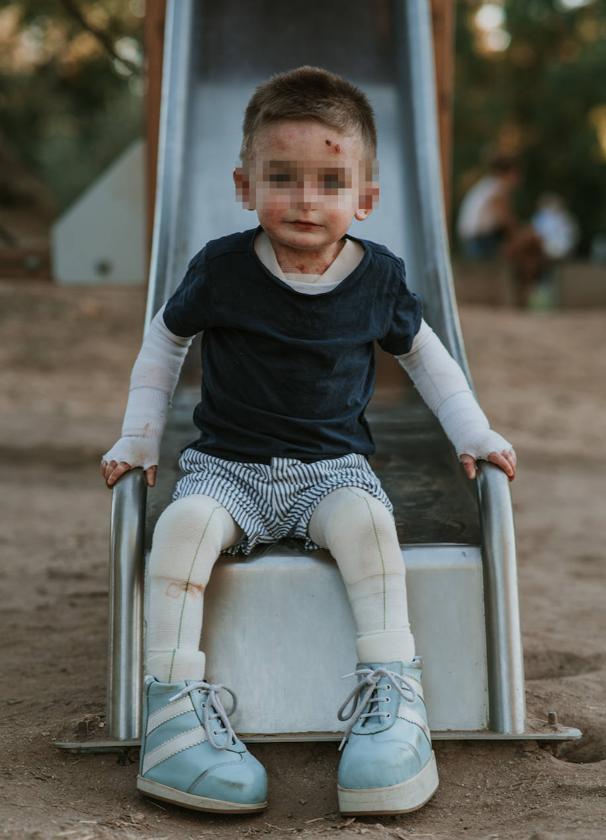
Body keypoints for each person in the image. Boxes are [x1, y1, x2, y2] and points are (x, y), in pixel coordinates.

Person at [101, 66, 516, 817]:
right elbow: (164, 342)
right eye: (281, 177)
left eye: (329, 181)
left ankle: (393, 701)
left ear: (365, 198)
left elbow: (425, 356)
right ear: (243, 184)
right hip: (226, 467)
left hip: (333, 470)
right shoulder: (223, 268)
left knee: (371, 528)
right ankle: (172, 715)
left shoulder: (379, 277)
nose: (302, 199)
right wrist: (139, 437)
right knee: (182, 531)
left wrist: (474, 431)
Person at [457, 155, 545, 307]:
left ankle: (526, 292)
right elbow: (506, 221)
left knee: (528, 252)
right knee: (532, 245)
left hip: (477, 239)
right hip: (480, 241)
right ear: (510, 173)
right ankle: (528, 293)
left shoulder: (487, 186)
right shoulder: (498, 188)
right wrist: (528, 235)